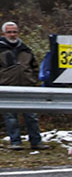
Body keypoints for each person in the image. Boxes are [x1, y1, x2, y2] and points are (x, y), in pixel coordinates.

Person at [1, 21, 48, 150]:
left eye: (14, 32)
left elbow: (34, 67)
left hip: (27, 86)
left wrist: (33, 80)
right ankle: (15, 142)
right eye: (9, 32)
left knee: (31, 116)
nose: (12, 34)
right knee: (10, 117)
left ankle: (36, 142)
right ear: (3, 33)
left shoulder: (25, 49)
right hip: (7, 87)